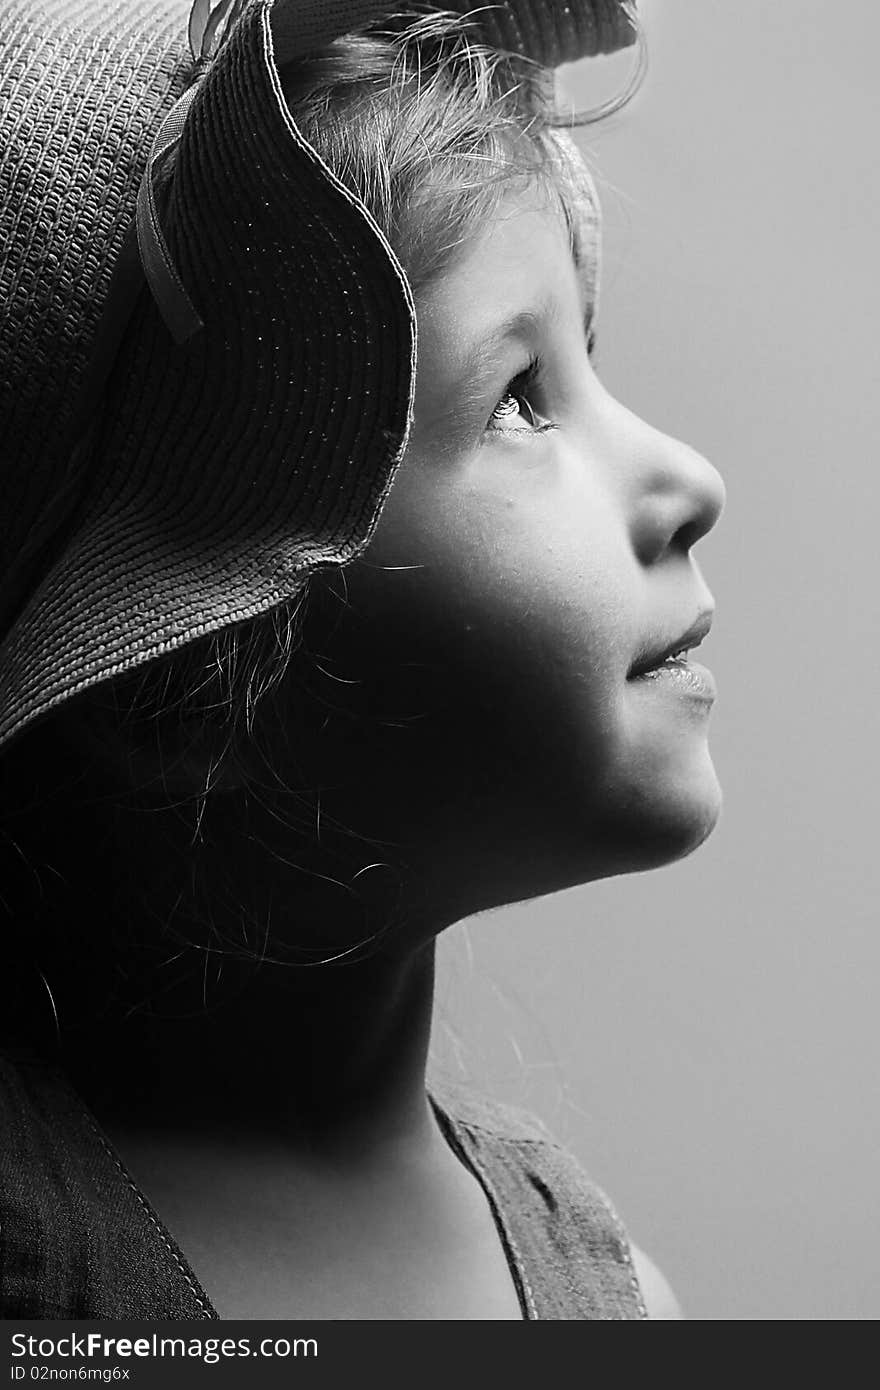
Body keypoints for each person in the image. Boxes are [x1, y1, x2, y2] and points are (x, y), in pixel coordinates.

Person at [0, 0, 723, 1319]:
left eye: (590, 362)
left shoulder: (610, 1294)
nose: (691, 479)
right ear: (178, 688)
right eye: (519, 397)